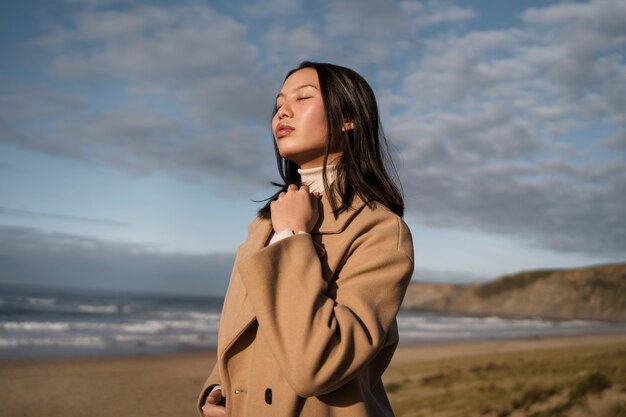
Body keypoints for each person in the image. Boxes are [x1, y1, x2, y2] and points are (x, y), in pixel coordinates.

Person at [198, 61, 414, 417]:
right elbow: (246, 330)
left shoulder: (380, 230)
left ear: (349, 118)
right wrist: (218, 389)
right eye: (279, 103)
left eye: (303, 97)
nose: (283, 110)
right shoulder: (265, 223)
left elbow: (319, 363)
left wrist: (292, 238)